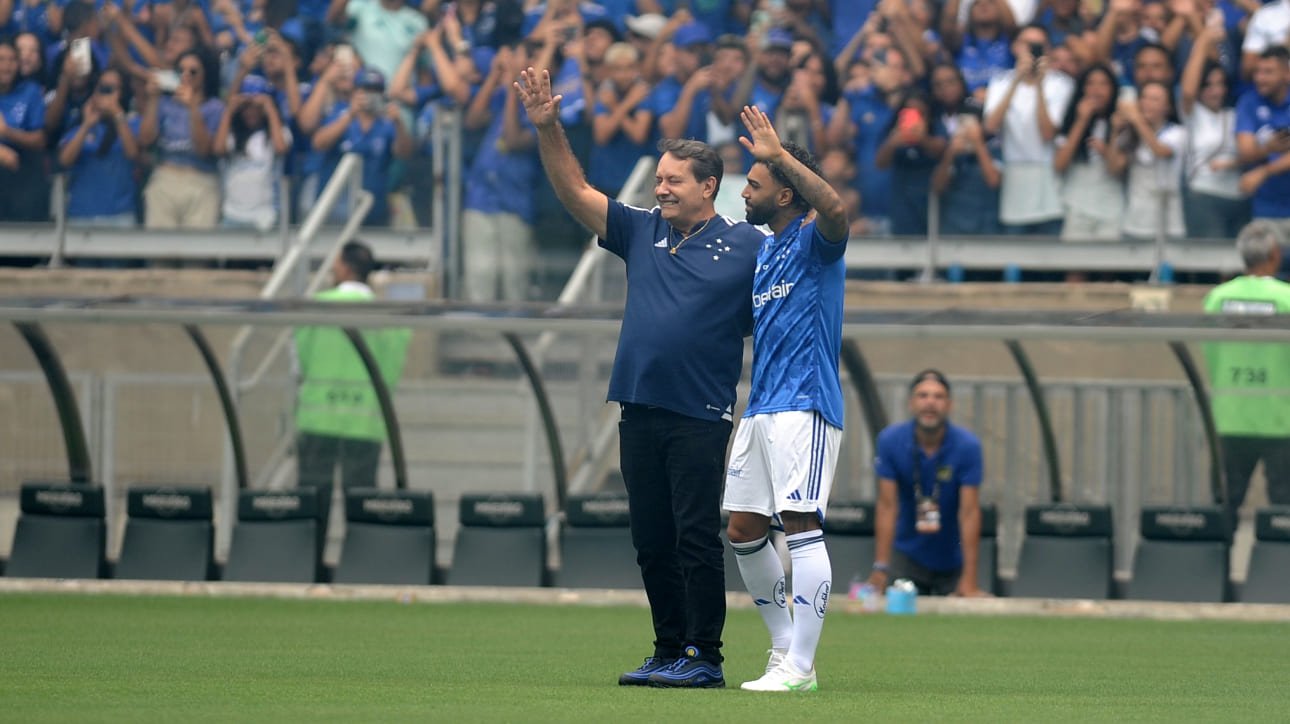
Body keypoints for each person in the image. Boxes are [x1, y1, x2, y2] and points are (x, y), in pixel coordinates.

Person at [516, 64, 764, 689]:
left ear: (711, 186)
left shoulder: (748, 245)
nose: (662, 189)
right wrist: (548, 128)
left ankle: (704, 656)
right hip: (639, 409)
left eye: (674, 180)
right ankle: (666, 648)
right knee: (652, 541)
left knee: (695, 539)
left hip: (700, 414)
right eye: (659, 179)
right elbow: (575, 190)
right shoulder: (642, 229)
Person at [723, 105, 849, 693]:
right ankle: (781, 649)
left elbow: (838, 210)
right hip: (763, 405)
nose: (744, 189)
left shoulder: (814, 240)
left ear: (785, 193)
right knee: (745, 528)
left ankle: (802, 666)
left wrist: (783, 158)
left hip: (805, 403)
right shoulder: (766, 251)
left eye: (756, 180)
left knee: (800, 524)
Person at [294, 241, 411, 505]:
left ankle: (310, 548)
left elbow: (302, 357)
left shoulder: (316, 307)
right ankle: (360, 547)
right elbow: (392, 369)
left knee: (311, 502)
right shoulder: (389, 318)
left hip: (318, 417)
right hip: (365, 420)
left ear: (344, 268)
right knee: (361, 501)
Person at [868, 370, 988, 598]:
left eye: (938, 396)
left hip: (953, 557)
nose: (930, 403)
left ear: (949, 404)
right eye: (923, 396)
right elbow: (886, 506)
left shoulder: (968, 446)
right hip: (907, 555)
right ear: (911, 403)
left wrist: (970, 580)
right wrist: (881, 569)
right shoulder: (890, 440)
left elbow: (970, 512)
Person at [1202, 221, 1290, 526]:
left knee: (1225, 502)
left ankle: (1217, 569)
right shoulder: (1286, 298)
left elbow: (1211, 352)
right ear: (1276, 254)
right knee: (1283, 506)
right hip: (1279, 416)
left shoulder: (1217, 298)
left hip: (1231, 412)